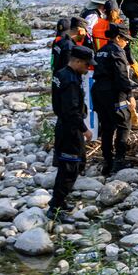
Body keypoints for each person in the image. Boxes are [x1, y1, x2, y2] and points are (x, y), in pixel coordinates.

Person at [48, 45, 96, 222]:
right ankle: (56, 209)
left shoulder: (60, 74)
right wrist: (85, 130)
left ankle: (59, 200)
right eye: (86, 65)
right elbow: (71, 110)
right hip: (70, 129)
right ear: (76, 61)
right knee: (69, 168)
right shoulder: (70, 81)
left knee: (76, 163)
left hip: (64, 125)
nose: (88, 68)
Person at [92, 23, 136, 175]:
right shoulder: (118, 51)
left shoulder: (100, 51)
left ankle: (107, 162)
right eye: (125, 39)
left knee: (106, 127)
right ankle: (119, 161)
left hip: (98, 93)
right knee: (124, 122)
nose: (127, 42)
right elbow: (121, 76)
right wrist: (129, 95)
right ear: (118, 37)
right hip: (114, 94)